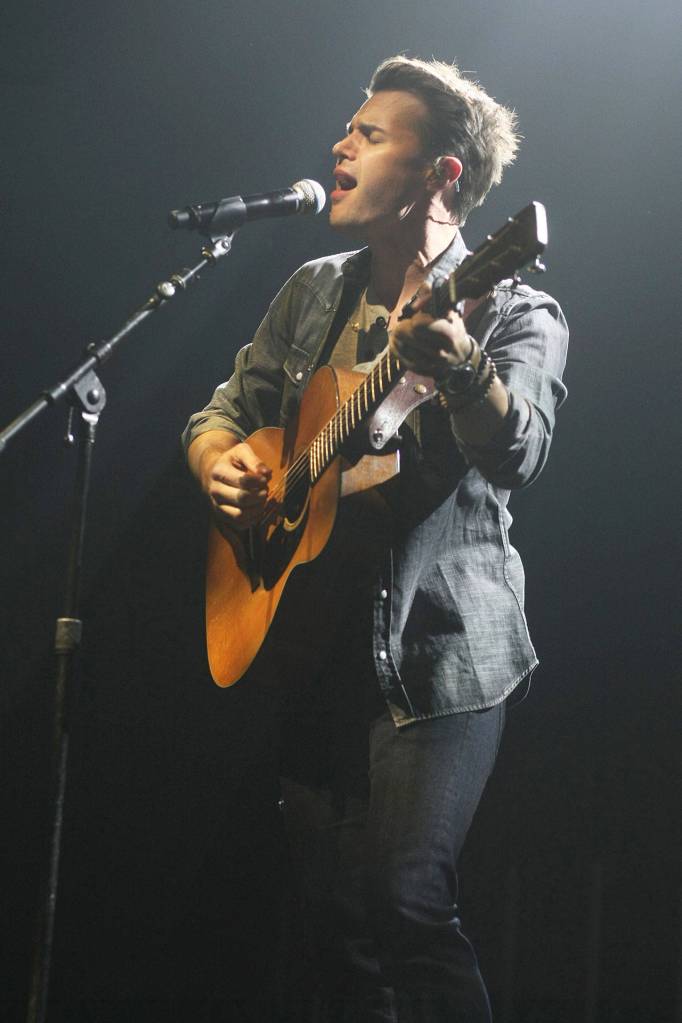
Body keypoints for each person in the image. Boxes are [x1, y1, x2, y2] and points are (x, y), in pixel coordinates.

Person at [183, 56, 568, 1022]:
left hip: (438, 658)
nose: (337, 147)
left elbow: (519, 445)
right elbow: (225, 411)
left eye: (368, 133)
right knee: (333, 928)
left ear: (440, 175)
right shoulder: (313, 291)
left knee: (404, 900)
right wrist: (218, 461)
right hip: (315, 649)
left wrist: (465, 363)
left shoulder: (514, 306)